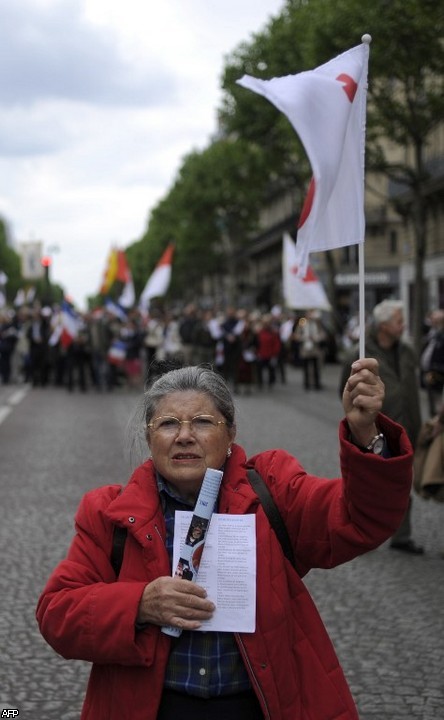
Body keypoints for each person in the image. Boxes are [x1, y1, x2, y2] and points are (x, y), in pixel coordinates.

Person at [36, 360, 413, 720]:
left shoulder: (273, 491)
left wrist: (366, 435)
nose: (185, 436)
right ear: (149, 435)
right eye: (168, 423)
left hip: (255, 706)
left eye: (202, 422)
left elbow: (360, 519)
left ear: (230, 433)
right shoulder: (110, 514)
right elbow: (57, 613)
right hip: (156, 708)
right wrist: (140, 604)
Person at [339, 299, 423, 554]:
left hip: (408, 424)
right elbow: (345, 388)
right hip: (375, 430)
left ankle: (401, 535)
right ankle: (365, 529)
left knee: (402, 480)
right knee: (371, 481)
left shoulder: (407, 351)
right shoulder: (360, 353)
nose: (403, 325)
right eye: (399, 321)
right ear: (385, 325)